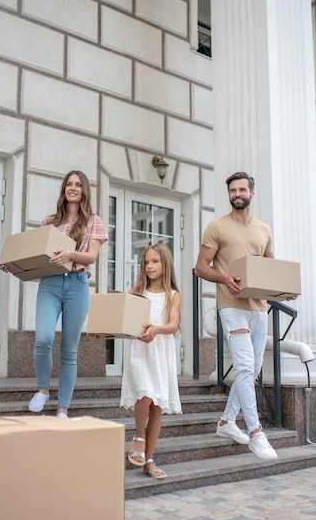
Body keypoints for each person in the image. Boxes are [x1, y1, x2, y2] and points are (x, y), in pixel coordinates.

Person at [0, 170, 107, 417]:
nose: (73, 188)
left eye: (78, 184)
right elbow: (34, 252)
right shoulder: (49, 221)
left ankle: (63, 407)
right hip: (50, 284)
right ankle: (43, 389)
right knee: (43, 339)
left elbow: (91, 256)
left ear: (84, 190)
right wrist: (12, 262)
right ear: (64, 189)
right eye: (69, 184)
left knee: (69, 349)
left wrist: (70, 255)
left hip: (77, 284)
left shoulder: (93, 221)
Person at [194, 171, 280, 461]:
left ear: (252, 193)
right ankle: (256, 432)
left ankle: (226, 421)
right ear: (229, 194)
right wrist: (223, 278)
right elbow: (200, 267)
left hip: (259, 308)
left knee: (251, 370)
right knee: (244, 366)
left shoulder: (264, 230)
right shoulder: (217, 227)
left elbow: (270, 272)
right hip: (231, 306)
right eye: (233, 190)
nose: (238, 194)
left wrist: (282, 292)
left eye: (242, 190)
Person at [120, 244, 182, 479]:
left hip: (160, 351)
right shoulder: (136, 291)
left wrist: (157, 329)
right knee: (144, 394)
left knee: (156, 408)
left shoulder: (173, 295)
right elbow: (122, 319)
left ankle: (149, 460)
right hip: (139, 350)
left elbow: (173, 325)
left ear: (165, 264)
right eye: (146, 262)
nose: (149, 266)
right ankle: (138, 436)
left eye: (155, 261)